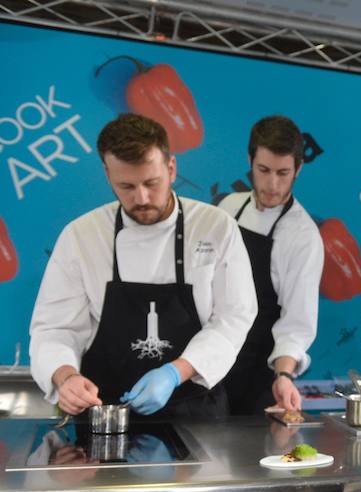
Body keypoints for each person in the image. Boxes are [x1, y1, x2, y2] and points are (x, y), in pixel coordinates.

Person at [29, 113, 256, 418]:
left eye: (152, 183)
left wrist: (175, 373)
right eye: (126, 186)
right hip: (104, 409)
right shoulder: (82, 236)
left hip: (195, 408)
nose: (142, 198)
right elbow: (55, 328)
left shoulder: (216, 227)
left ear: (171, 168)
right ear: (107, 174)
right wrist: (65, 377)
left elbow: (234, 318)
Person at [218, 115, 324, 415]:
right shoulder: (228, 209)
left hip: (258, 375)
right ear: (250, 161)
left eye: (283, 173)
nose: (272, 184)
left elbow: (296, 323)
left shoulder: (302, 236)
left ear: (298, 169)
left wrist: (284, 375)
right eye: (263, 170)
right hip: (214, 361)